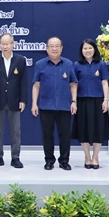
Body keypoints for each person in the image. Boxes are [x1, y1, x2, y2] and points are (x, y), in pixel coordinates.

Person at [31, 37, 77, 170]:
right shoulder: (40, 64)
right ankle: (49, 160)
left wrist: (74, 101)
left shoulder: (68, 64)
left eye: (57, 46)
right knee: (47, 135)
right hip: (46, 105)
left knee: (65, 135)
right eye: (51, 46)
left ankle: (64, 161)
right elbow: (36, 85)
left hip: (64, 106)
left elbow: (73, 84)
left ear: (62, 48)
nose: (54, 48)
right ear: (47, 48)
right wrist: (34, 103)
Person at [0, 33, 28, 169]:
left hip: (14, 101)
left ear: (13, 44)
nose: (5, 46)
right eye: (2, 44)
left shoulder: (20, 60)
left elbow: (23, 82)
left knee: (16, 131)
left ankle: (15, 157)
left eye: (7, 43)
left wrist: (23, 100)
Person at [72, 39, 109, 169]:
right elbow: (74, 85)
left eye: (90, 48)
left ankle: (96, 157)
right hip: (82, 101)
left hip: (98, 101)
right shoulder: (76, 65)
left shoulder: (101, 64)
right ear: (81, 51)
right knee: (84, 130)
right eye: (85, 48)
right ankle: (87, 157)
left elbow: (105, 83)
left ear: (94, 49)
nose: (87, 51)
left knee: (98, 130)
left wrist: (106, 100)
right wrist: (74, 102)